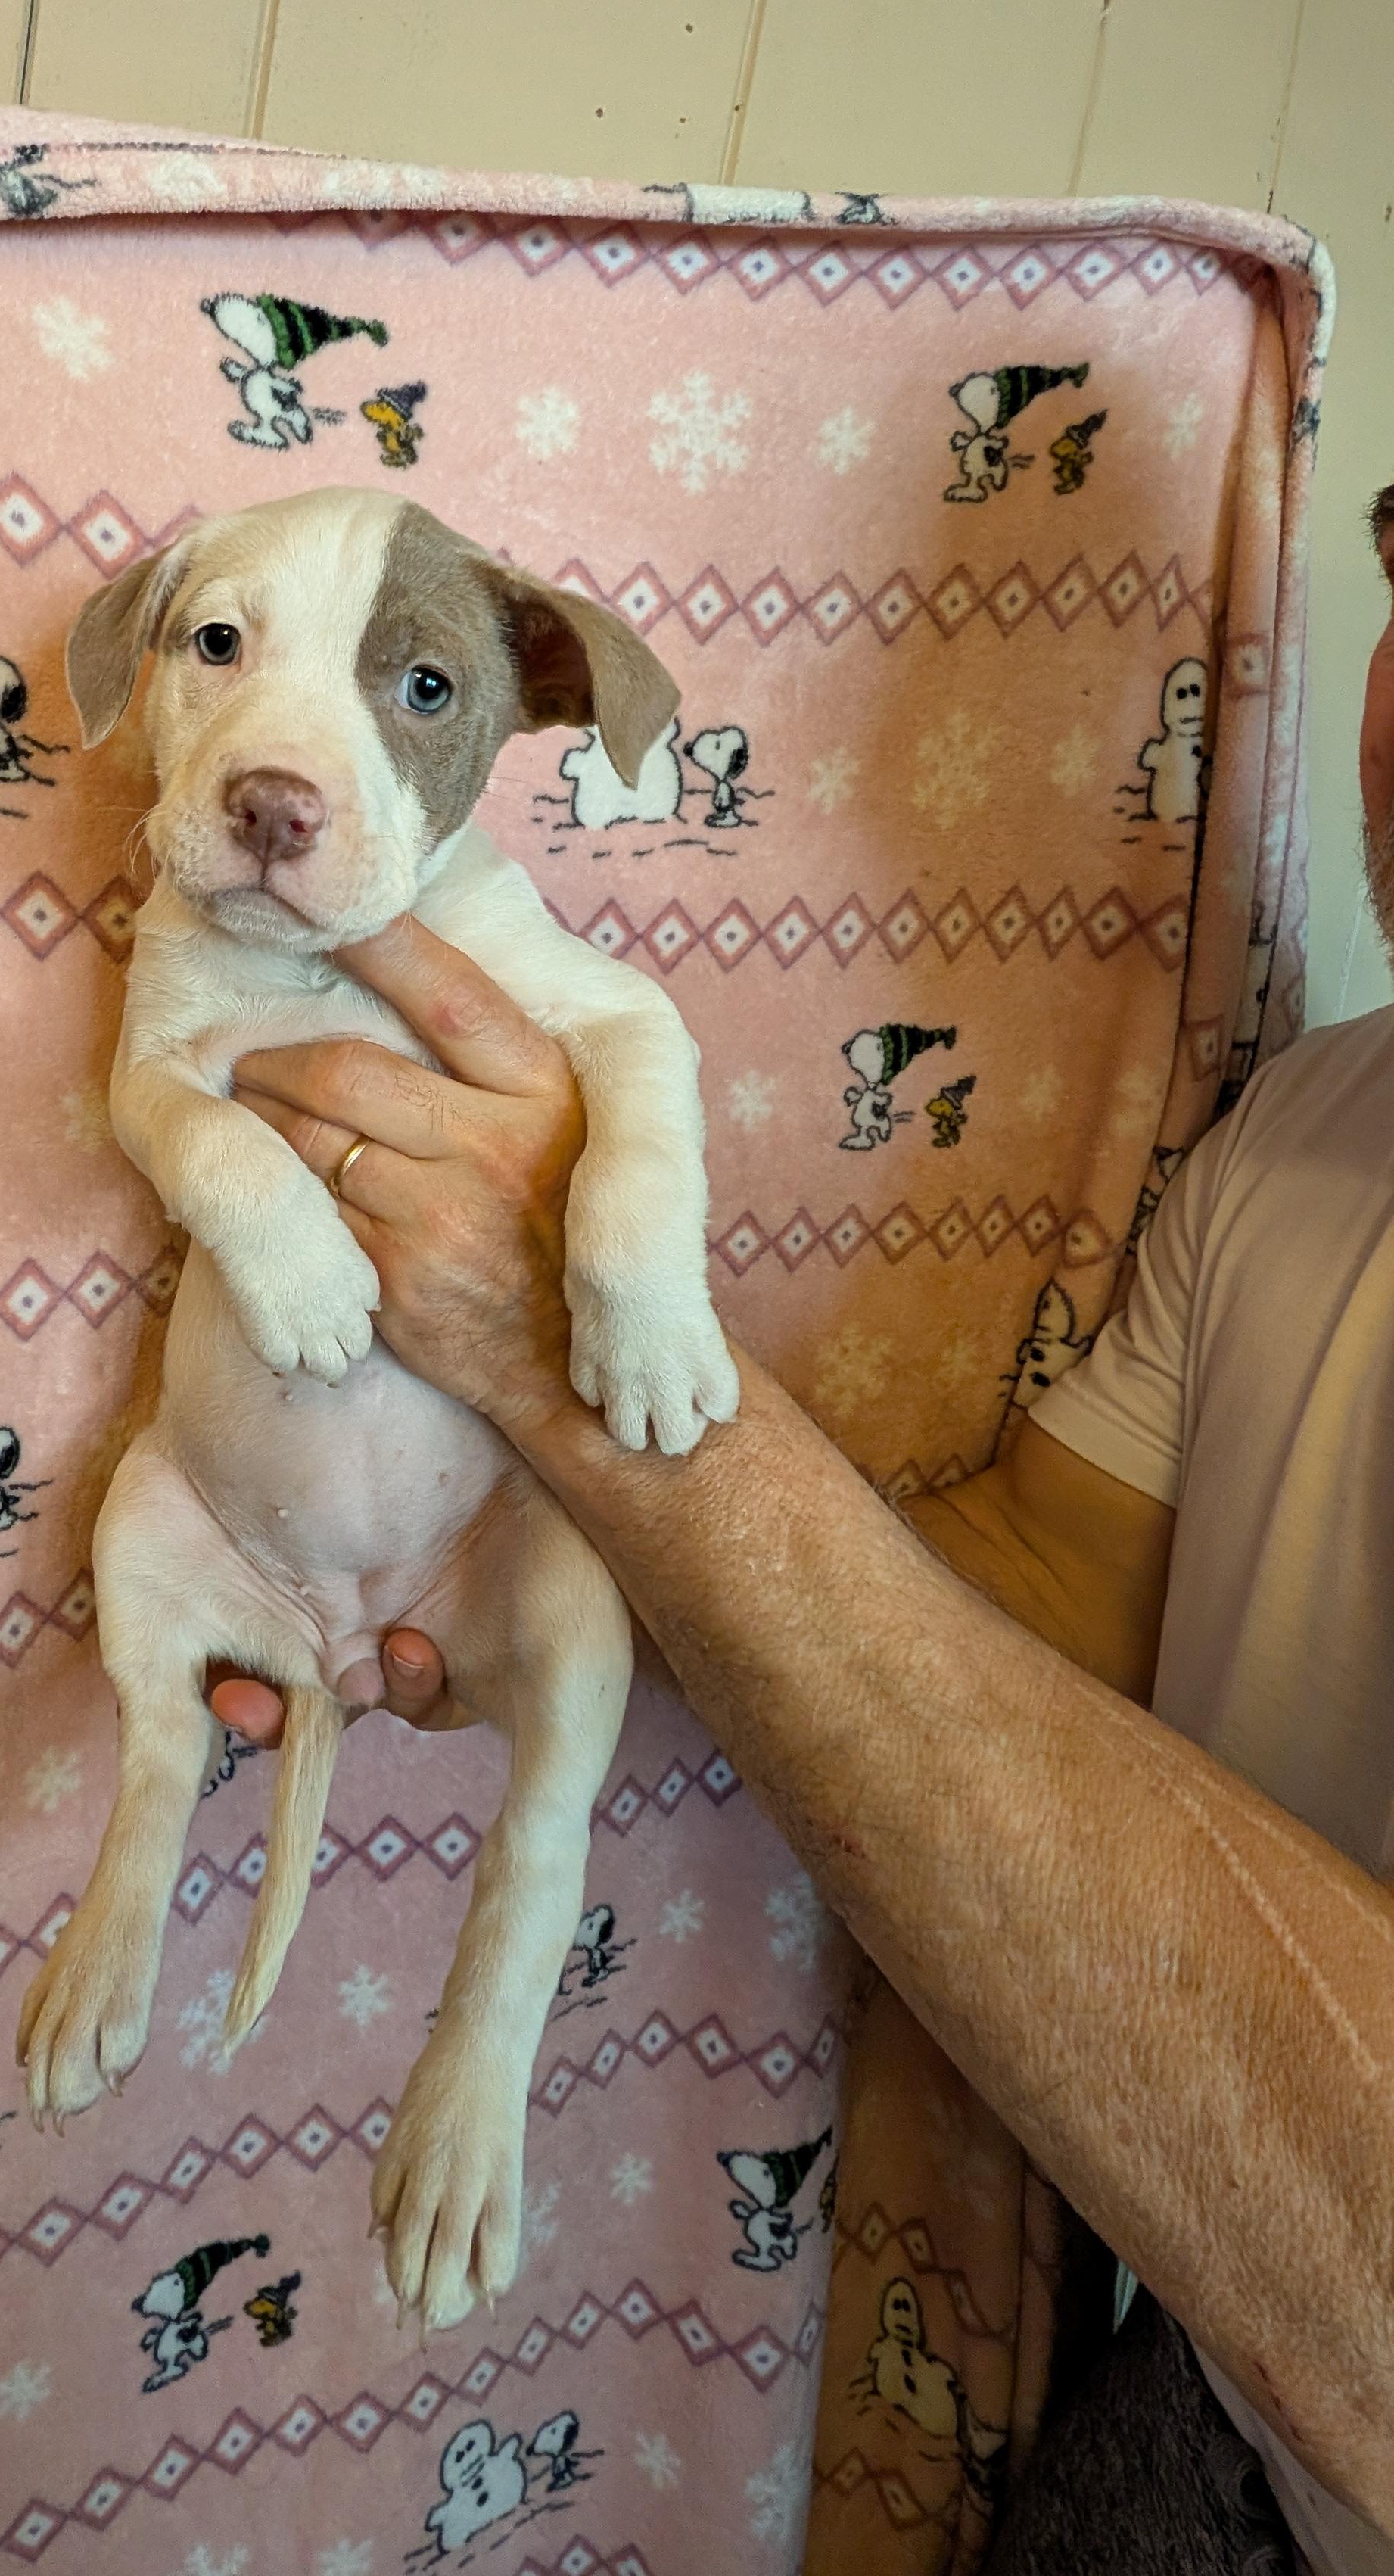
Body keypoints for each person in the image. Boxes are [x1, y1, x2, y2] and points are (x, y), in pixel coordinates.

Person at [211, 491, 1394, 2569]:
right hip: (1214, 2384)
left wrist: (569, 1376)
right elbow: (1045, 1604)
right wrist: (498, 1542)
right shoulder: (1316, 1127)